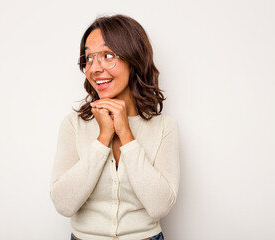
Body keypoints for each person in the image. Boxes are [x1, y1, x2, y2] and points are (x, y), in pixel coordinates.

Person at [50, 14, 180, 240]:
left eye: (108, 55)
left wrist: (126, 135)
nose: (94, 68)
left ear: (134, 59)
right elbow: (63, 204)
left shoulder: (164, 127)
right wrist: (103, 138)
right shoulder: (73, 125)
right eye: (89, 58)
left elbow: (160, 206)